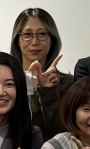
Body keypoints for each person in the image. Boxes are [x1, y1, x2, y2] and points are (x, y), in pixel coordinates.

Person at [13, 7, 70, 139]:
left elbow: (63, 135)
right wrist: (28, 84)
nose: (35, 42)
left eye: (42, 34)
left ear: (52, 40)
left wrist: (48, 91)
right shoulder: (7, 82)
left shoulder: (67, 84)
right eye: (27, 34)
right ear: (17, 40)